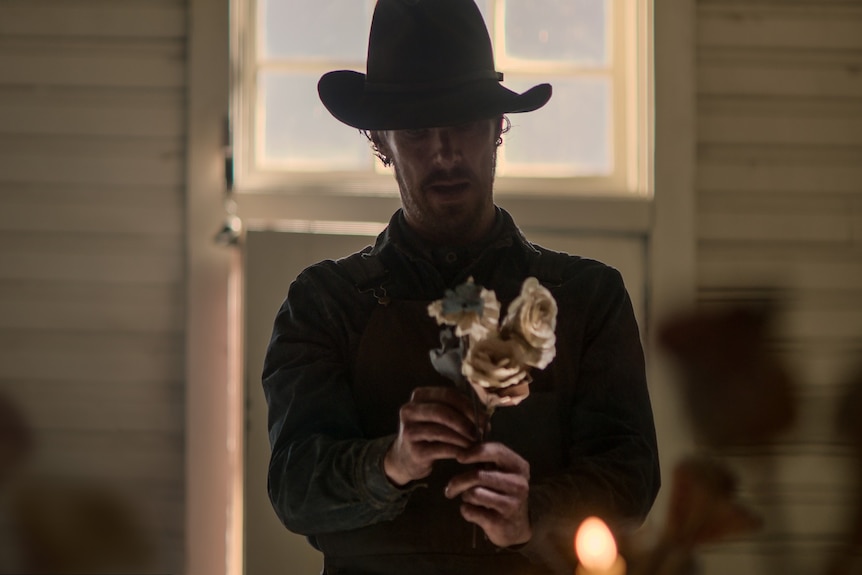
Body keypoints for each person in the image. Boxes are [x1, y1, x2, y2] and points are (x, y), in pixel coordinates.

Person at [262, 1, 660, 573]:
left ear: (498, 128)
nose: (445, 153)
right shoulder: (323, 303)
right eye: (419, 132)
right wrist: (389, 463)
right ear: (380, 141)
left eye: (465, 125)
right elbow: (295, 489)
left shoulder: (588, 298)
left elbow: (631, 479)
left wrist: (535, 513)